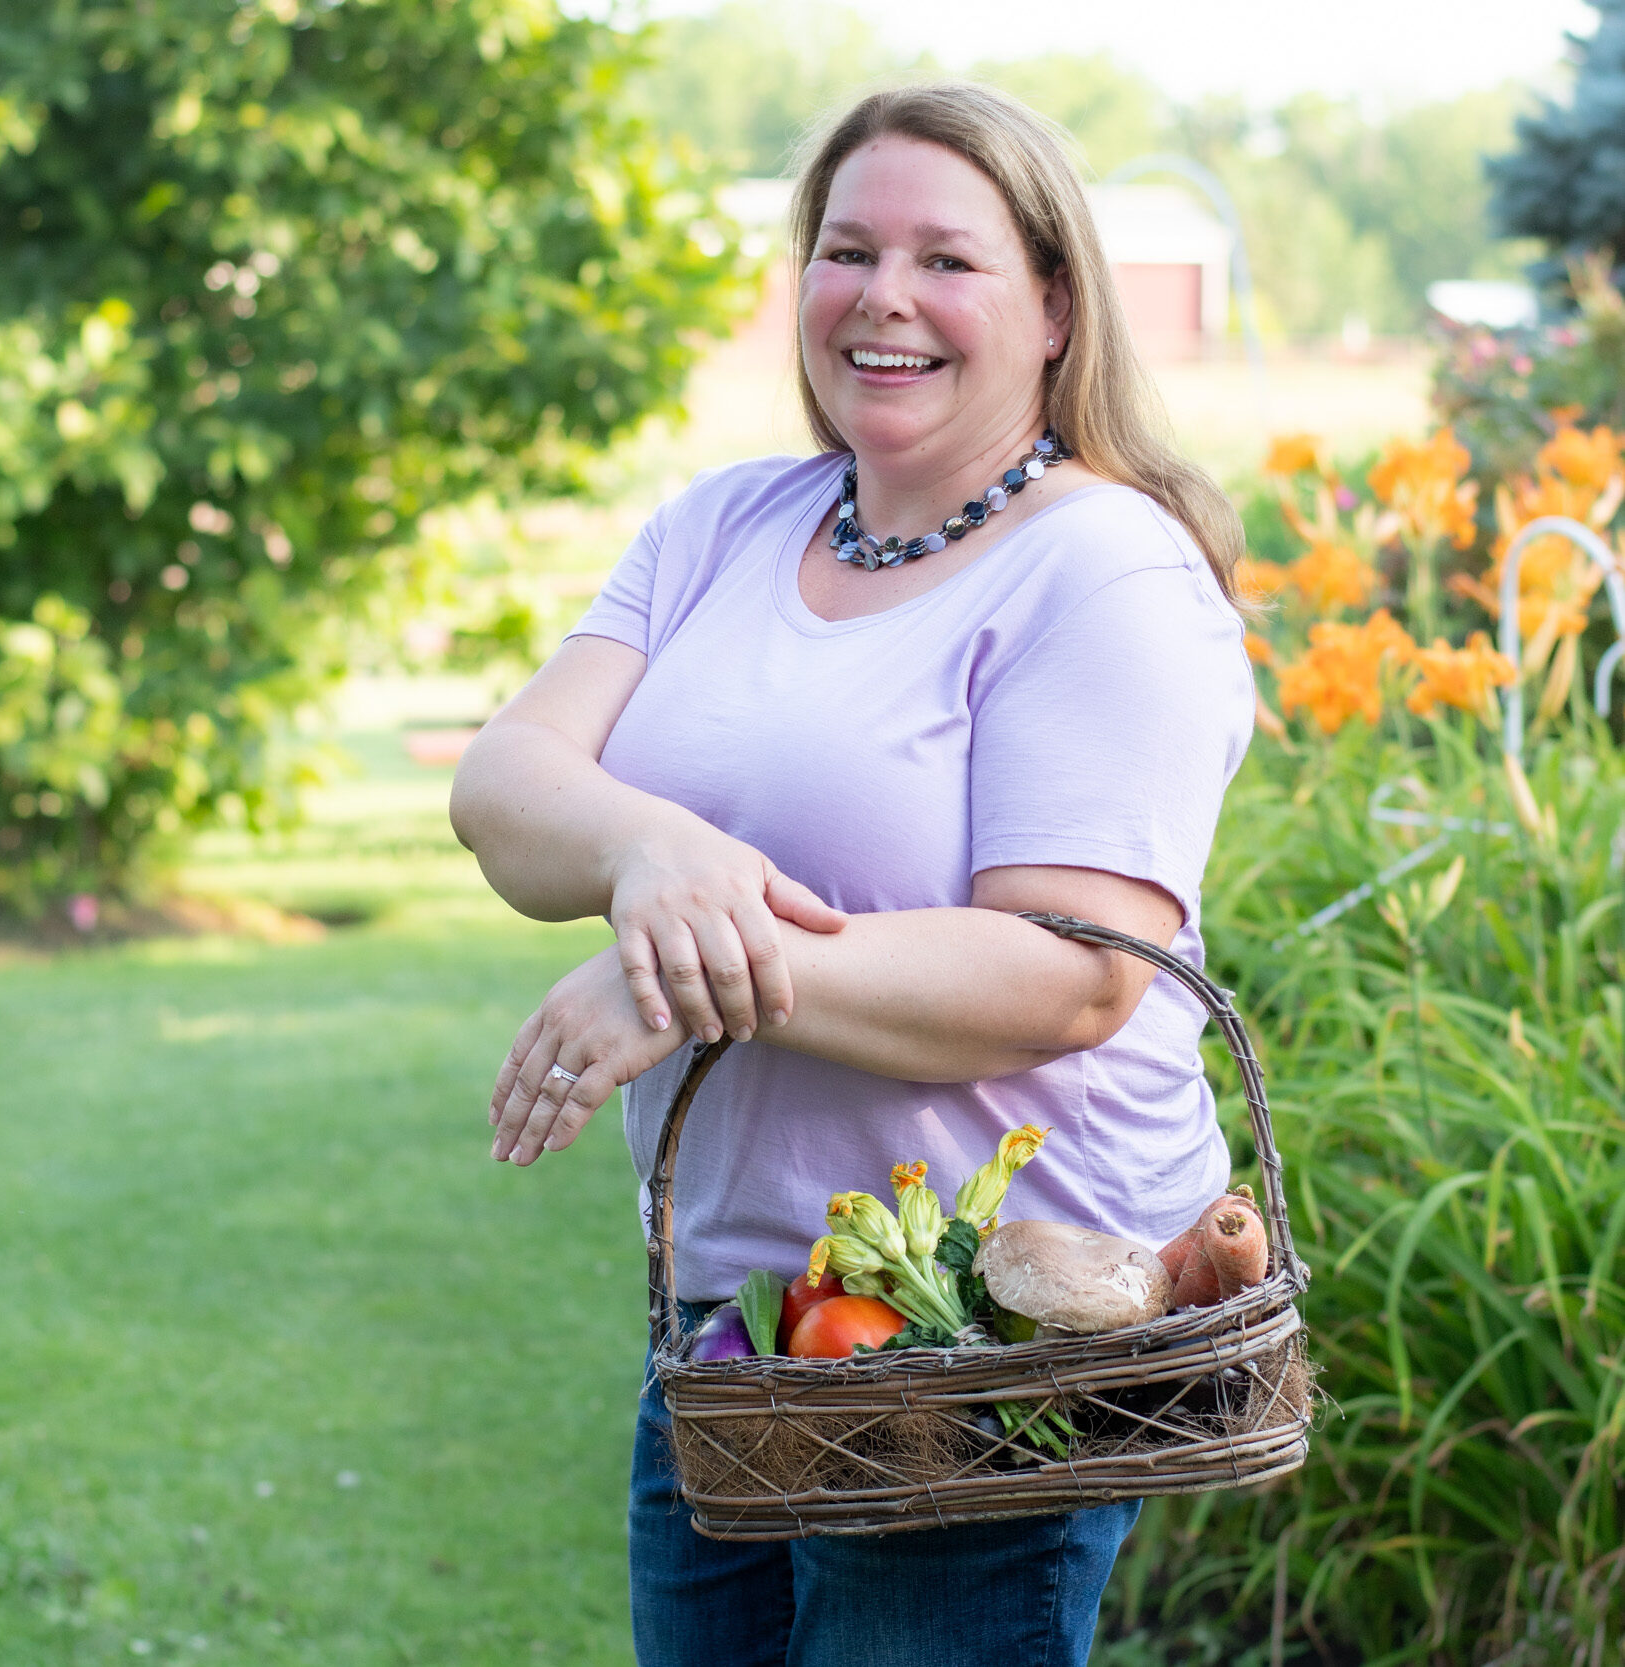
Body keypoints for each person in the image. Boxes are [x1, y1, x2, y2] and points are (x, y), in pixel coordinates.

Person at [450, 81, 1255, 1667]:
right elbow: (506, 785)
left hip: (991, 1352)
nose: (885, 296)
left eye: (947, 259)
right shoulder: (725, 525)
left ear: (1055, 307)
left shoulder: (1105, 568)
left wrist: (684, 975)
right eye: (848, 249)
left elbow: (1074, 972)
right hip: (744, 1338)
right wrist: (656, 852)